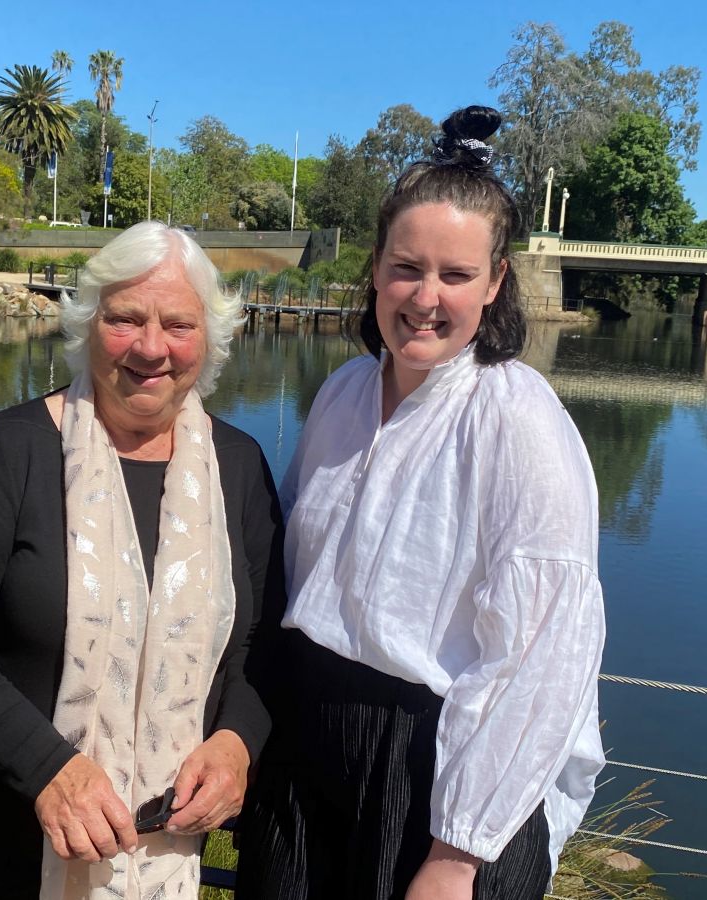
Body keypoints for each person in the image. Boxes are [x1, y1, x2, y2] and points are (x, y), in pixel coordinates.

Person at [237, 106, 606, 900]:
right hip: (308, 752)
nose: (425, 297)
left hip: (435, 768)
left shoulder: (517, 420)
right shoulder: (341, 392)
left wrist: (457, 852)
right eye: (407, 267)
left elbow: (544, 651)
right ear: (375, 268)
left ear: (497, 282)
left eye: (456, 275)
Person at [0, 221, 284, 900]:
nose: (151, 348)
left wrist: (236, 745)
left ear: (211, 340)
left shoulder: (240, 467)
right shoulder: (7, 452)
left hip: (167, 856)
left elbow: (262, 642)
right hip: (7, 860)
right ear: (87, 324)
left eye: (179, 325)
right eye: (125, 318)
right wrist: (48, 768)